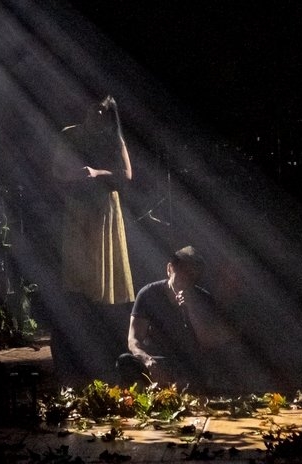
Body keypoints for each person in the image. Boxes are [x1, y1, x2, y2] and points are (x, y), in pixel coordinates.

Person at [51, 95, 135, 305]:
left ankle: (105, 310)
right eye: (96, 107)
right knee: (80, 266)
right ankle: (81, 307)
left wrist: (97, 173)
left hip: (104, 205)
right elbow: (56, 170)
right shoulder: (70, 133)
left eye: (103, 110)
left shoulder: (113, 137)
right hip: (78, 205)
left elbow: (127, 174)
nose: (98, 113)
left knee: (102, 263)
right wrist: (74, 174)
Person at [117, 246, 229, 387]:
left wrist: (191, 308)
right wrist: (147, 360)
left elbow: (207, 341)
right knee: (126, 361)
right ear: (169, 269)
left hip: (189, 362)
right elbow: (133, 340)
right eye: (182, 273)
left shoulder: (204, 298)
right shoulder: (149, 294)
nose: (186, 279)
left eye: (191, 275)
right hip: (157, 359)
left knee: (211, 364)